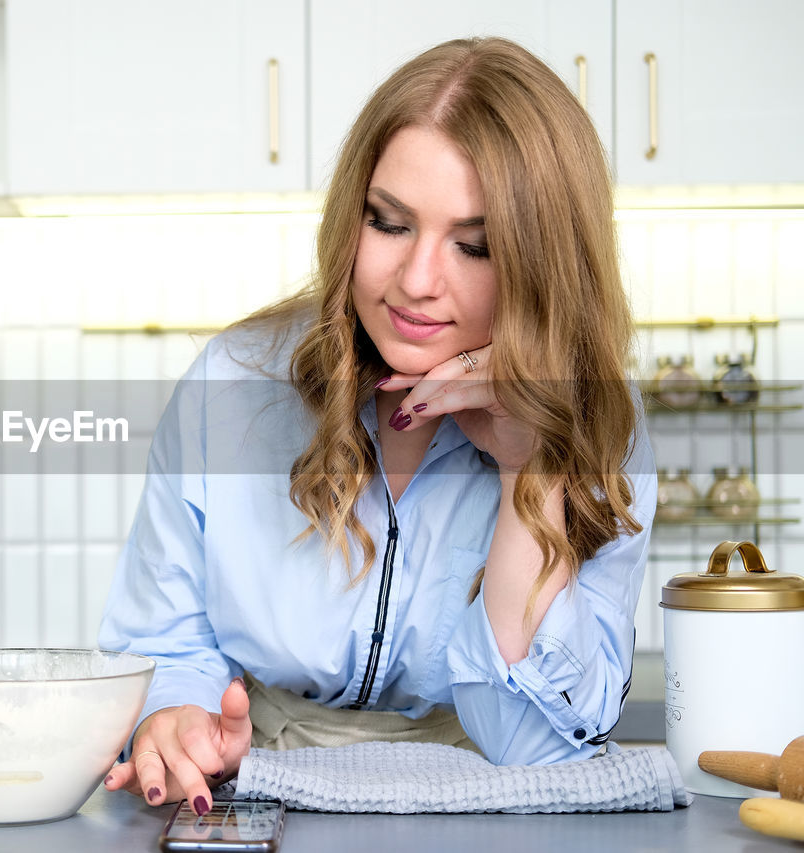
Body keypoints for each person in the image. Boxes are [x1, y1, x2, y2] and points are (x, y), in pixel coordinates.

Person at [99, 36, 655, 817]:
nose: (417, 282)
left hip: (488, 812)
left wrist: (531, 469)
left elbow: (533, 746)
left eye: (476, 245)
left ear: (544, 262)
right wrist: (177, 718)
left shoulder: (599, 428)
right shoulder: (232, 383)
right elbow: (163, 643)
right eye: (389, 223)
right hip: (256, 797)